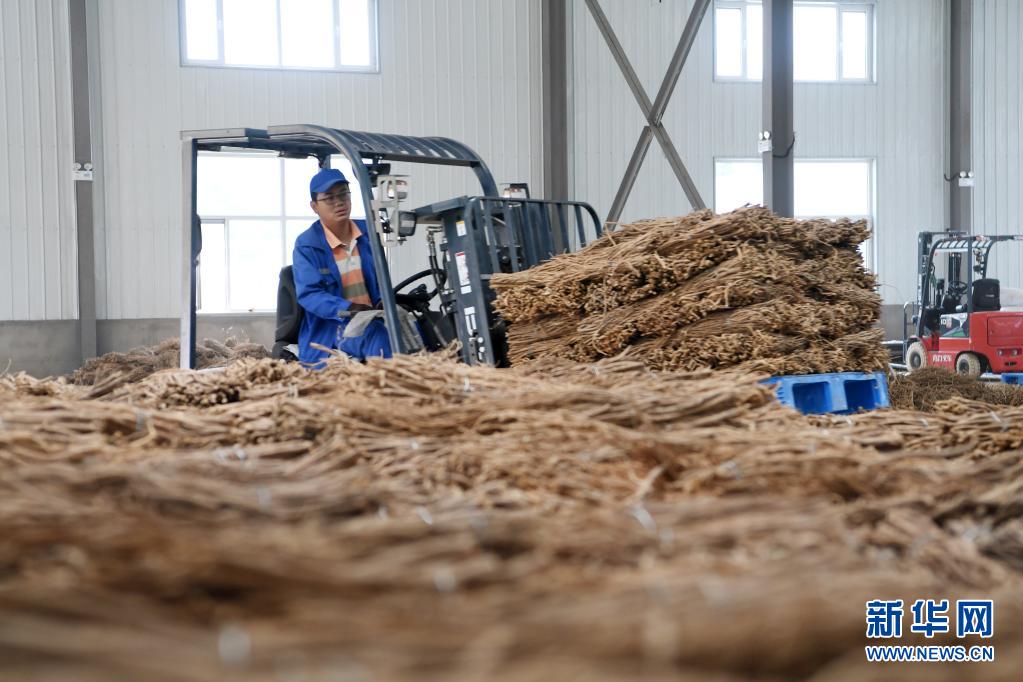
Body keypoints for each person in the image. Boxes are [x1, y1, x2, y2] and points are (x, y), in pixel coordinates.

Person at [292, 167, 392, 364]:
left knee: (417, 329)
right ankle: (392, 388)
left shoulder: (368, 234)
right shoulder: (307, 244)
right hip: (333, 328)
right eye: (329, 198)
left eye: (343, 194)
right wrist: (349, 307)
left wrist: (382, 301)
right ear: (314, 206)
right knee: (377, 335)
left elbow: (380, 280)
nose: (339, 202)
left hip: (370, 317)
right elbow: (309, 294)